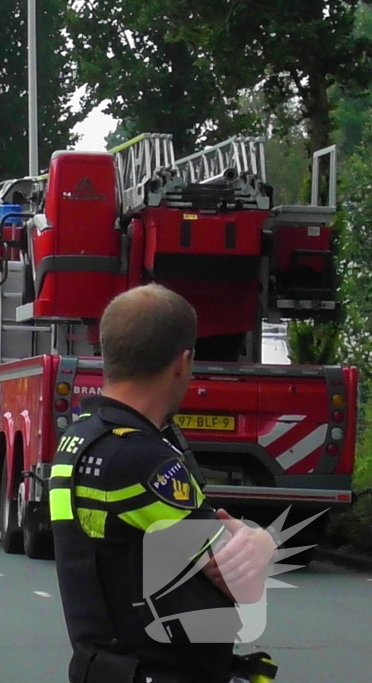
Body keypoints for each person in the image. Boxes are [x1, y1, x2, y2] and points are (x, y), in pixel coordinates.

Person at [49, 284, 279, 683]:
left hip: (105, 668)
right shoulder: (144, 460)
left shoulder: (79, 442)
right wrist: (262, 543)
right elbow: (237, 579)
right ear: (182, 362)